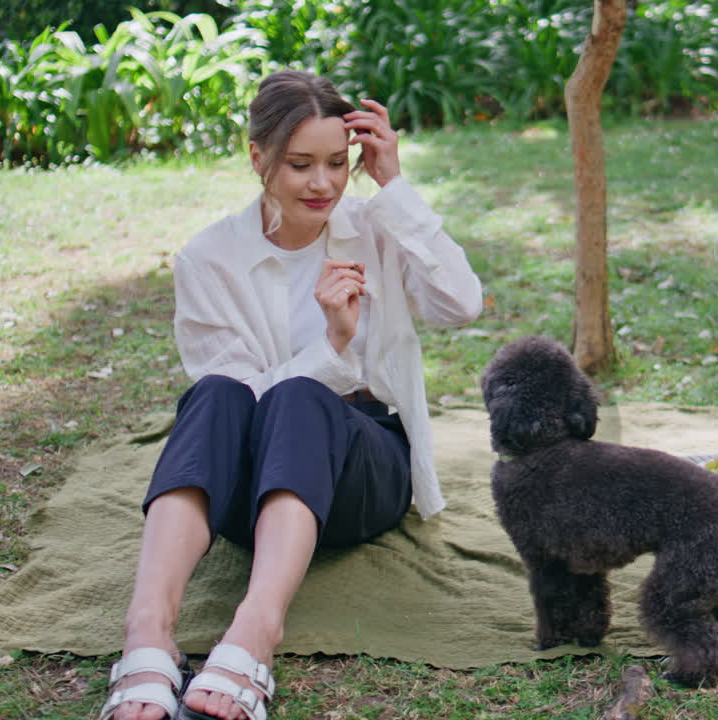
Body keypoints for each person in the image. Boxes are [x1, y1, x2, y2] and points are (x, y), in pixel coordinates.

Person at [98, 70, 483, 720]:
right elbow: (241, 406)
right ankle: (148, 632)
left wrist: (394, 186)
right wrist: (332, 347)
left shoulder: (374, 228)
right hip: (252, 493)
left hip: (364, 474)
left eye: (337, 163)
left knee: (301, 396)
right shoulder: (209, 259)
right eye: (301, 165)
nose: (323, 184)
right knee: (216, 394)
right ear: (259, 158)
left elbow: (462, 305)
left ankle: (255, 633)